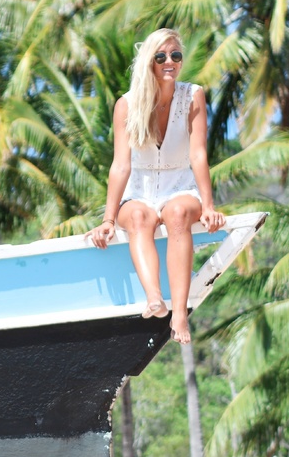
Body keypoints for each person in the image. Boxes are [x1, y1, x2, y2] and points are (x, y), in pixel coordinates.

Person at [86, 28, 225, 344]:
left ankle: (179, 314)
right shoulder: (128, 104)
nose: (169, 62)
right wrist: (109, 220)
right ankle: (154, 299)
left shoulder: (193, 96)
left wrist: (209, 205)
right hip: (140, 191)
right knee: (138, 219)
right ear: (149, 60)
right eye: (161, 56)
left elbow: (198, 154)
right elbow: (121, 165)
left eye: (175, 56)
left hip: (181, 186)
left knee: (177, 214)